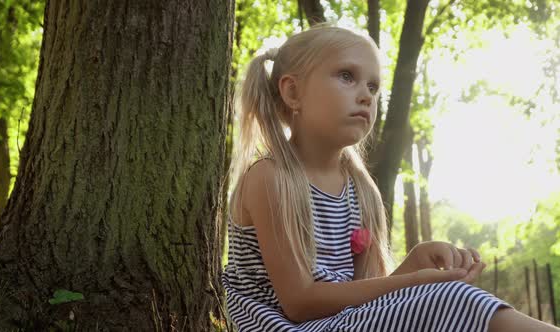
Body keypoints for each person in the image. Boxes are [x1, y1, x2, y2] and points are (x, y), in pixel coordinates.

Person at [221, 24, 560, 332]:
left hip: (336, 325)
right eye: (346, 76)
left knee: (445, 296)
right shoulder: (271, 177)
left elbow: (366, 305)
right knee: (451, 299)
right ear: (293, 93)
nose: (367, 95)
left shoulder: (361, 190)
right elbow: (300, 303)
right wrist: (414, 282)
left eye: (373, 86)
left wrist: (416, 261)